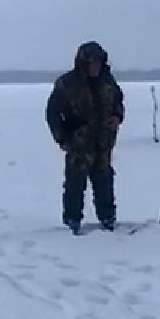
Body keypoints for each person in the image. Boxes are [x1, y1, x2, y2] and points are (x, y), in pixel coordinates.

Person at [45, 40, 125, 233]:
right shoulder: (67, 84)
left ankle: (107, 218)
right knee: (75, 183)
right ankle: (72, 220)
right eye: (92, 63)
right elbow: (52, 113)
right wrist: (62, 138)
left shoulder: (108, 82)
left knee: (104, 181)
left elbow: (118, 102)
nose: (95, 67)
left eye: (99, 62)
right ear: (83, 63)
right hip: (78, 143)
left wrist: (117, 116)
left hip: (103, 142)